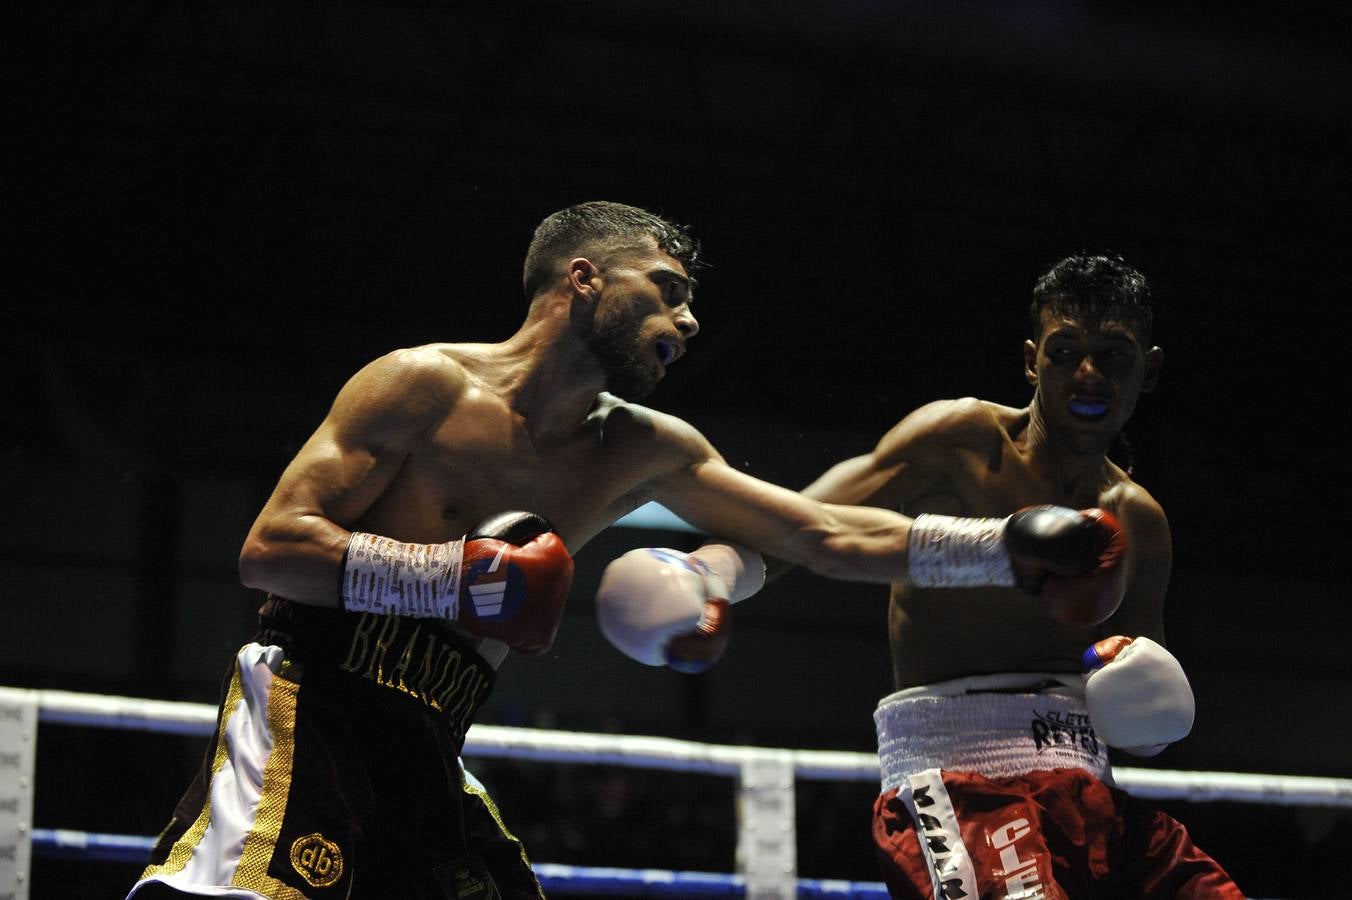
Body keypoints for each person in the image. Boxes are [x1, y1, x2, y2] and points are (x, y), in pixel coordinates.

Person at [128, 203, 1123, 900]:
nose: (686, 320)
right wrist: (453, 578)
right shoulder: (419, 385)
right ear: (583, 278)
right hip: (314, 695)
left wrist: (1000, 548)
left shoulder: (641, 447)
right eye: (668, 288)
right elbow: (271, 548)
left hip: (431, 737)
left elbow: (822, 533)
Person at [781, 255, 1242, 897]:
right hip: (958, 782)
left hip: (1089, 791)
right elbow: (808, 522)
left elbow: (1139, 723)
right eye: (1064, 352)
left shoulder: (1141, 522)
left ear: (1150, 369)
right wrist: (720, 567)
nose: (1088, 374)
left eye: (1113, 355)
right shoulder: (963, 442)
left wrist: (1149, 697)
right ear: (1031, 361)